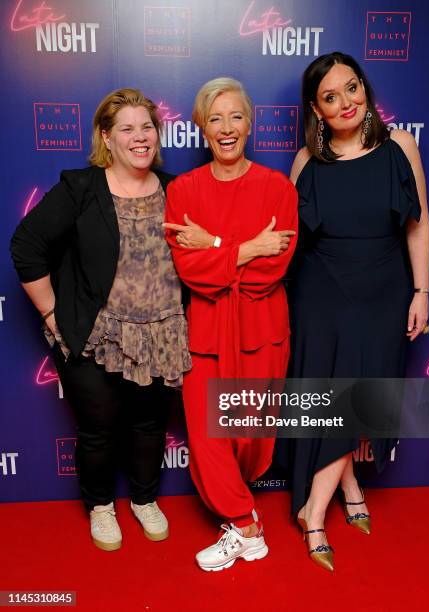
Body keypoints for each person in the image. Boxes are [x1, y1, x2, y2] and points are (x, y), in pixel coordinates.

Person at [10, 88, 191, 551]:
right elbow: (27, 245)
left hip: (159, 336)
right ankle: (101, 506)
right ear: (106, 137)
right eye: (127, 129)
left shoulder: (178, 189)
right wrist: (51, 312)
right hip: (96, 336)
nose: (140, 137)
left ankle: (144, 499)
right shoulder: (81, 187)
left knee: (150, 427)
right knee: (98, 429)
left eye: (147, 126)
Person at [287, 52, 429, 571]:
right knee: (332, 397)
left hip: (383, 291)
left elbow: (418, 224)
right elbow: (289, 240)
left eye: (352, 88)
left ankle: (314, 506)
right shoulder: (306, 162)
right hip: (319, 294)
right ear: (316, 109)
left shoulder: (400, 147)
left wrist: (422, 292)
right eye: (331, 97)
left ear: (365, 89)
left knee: (359, 398)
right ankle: (332, 505)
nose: (346, 102)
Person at [163, 77, 298, 571]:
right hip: (205, 333)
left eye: (235, 116)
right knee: (206, 434)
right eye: (214, 118)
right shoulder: (181, 190)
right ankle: (246, 525)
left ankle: (244, 521)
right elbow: (190, 270)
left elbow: (270, 272)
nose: (226, 128)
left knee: (249, 437)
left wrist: (215, 246)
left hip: (261, 330)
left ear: (250, 123)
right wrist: (240, 248)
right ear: (201, 127)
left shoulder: (278, 187)